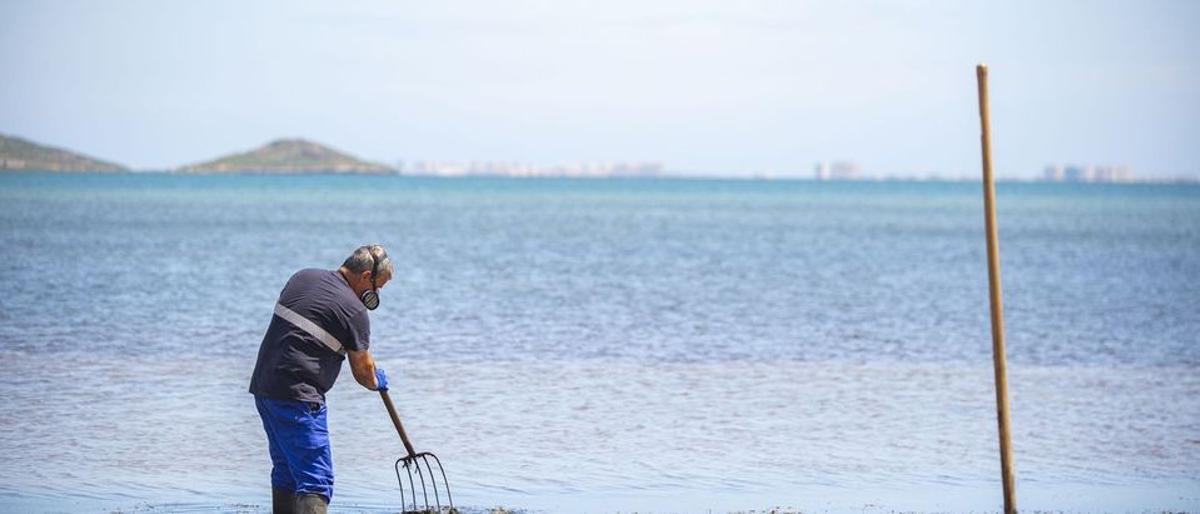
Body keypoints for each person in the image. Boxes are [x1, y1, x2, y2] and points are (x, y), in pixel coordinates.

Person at [249, 244, 394, 514]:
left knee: (286, 472)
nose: (375, 295)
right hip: (299, 398)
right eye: (378, 288)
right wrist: (376, 381)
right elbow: (363, 373)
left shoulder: (303, 277)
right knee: (316, 481)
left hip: (265, 388)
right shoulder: (354, 311)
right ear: (365, 276)